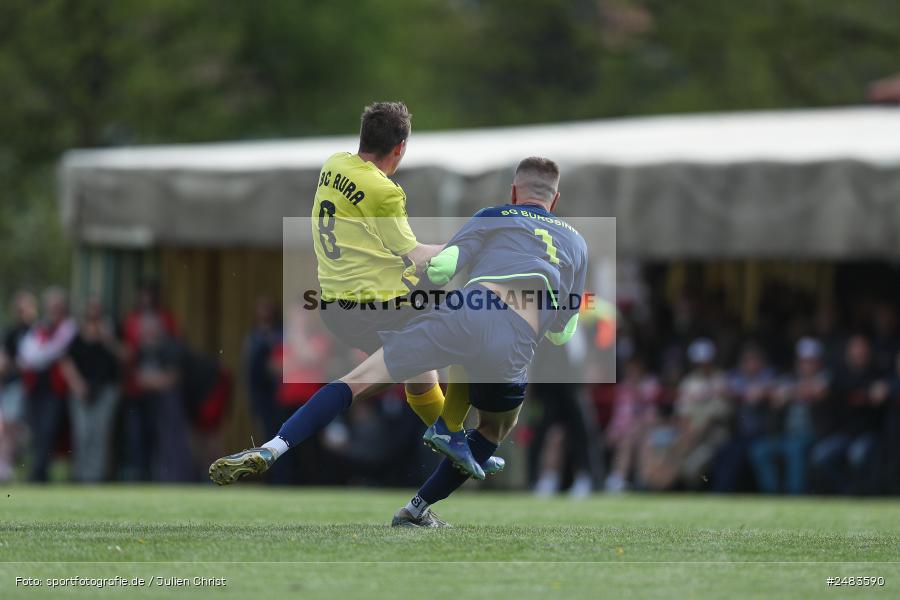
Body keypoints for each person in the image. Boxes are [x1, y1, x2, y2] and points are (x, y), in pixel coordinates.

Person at [210, 157, 589, 528]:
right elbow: (562, 331)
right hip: (515, 340)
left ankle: (273, 446)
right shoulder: (577, 243)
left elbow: (443, 268)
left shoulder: (494, 215)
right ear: (555, 200)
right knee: (494, 429)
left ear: (513, 192)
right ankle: (418, 506)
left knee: (359, 379)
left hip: (467, 311)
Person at [750, 337, 829, 494]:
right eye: (803, 361)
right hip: (787, 435)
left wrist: (789, 393)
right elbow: (772, 390)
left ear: (818, 362)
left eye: (810, 361)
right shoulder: (789, 379)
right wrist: (765, 392)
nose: (806, 365)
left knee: (794, 449)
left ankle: (795, 495)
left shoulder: (826, 377)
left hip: (814, 434)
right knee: (759, 450)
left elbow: (818, 391)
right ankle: (772, 493)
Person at [17, 287, 77, 482]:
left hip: (54, 390)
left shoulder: (67, 327)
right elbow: (25, 353)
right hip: (35, 388)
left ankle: (39, 473)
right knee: (35, 431)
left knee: (48, 430)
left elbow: (51, 352)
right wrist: (36, 356)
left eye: (57, 306)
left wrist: (36, 357)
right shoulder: (40, 327)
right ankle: (38, 471)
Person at [59, 298, 122, 482]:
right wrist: (77, 384)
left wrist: (108, 339)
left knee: (100, 434)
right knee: (83, 433)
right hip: (81, 391)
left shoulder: (111, 331)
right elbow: (65, 361)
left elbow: (126, 355)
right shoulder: (76, 335)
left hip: (106, 390)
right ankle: (80, 476)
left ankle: (96, 478)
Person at [0, 290, 39, 482]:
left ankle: (30, 469)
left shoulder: (38, 331)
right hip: (14, 385)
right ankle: (5, 467)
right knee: (8, 426)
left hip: (36, 388)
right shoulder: (12, 331)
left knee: (25, 429)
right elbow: (5, 359)